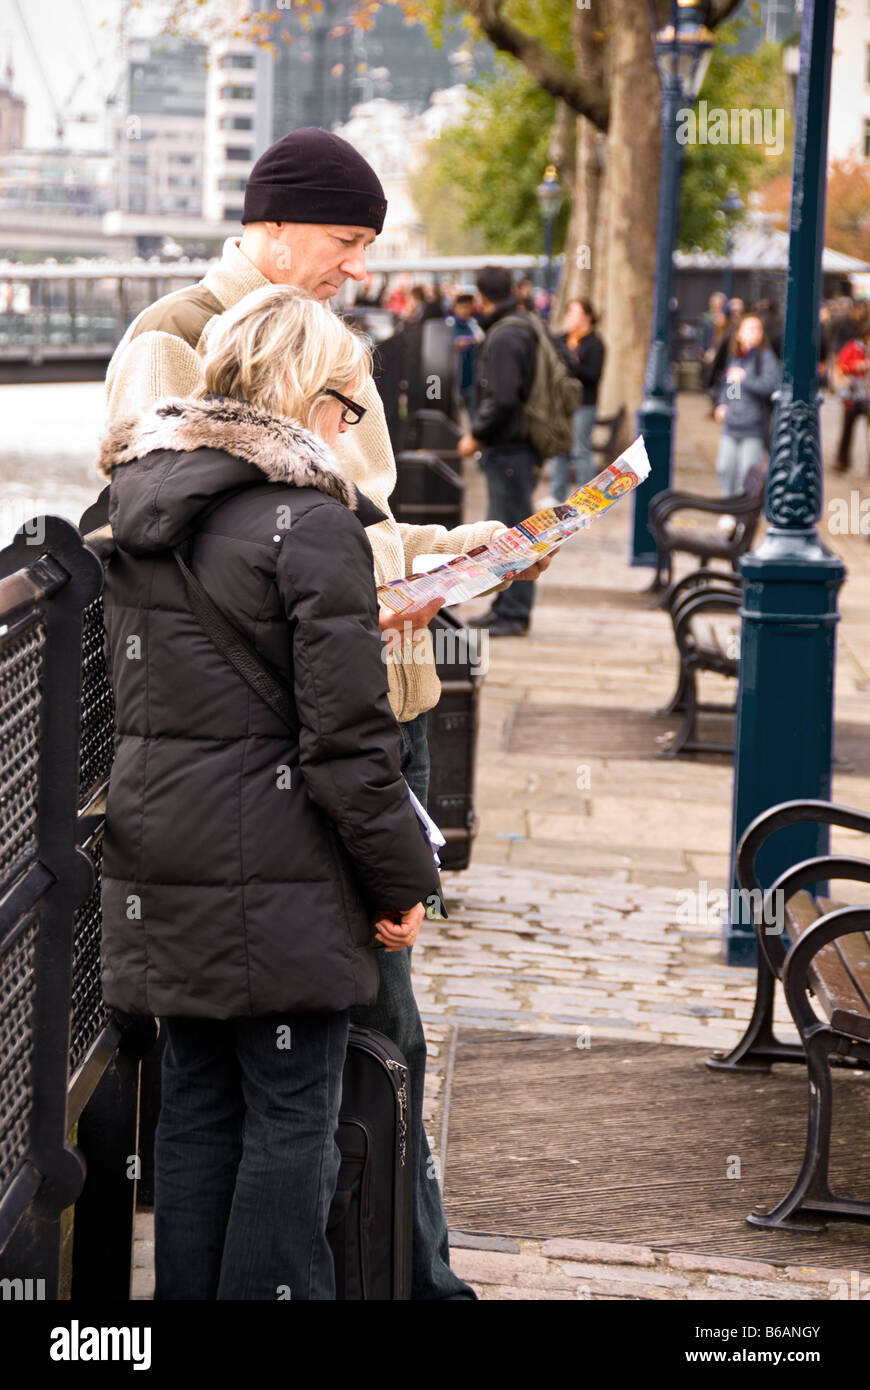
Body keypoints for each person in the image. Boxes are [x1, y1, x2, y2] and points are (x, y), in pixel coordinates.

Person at [102, 125, 552, 1300]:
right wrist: (401, 879)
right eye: (347, 241)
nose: (358, 265)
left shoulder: (300, 380)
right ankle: (396, 1280)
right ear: (279, 220)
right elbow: (241, 552)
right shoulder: (180, 342)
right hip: (297, 775)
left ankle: (381, 1273)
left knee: (218, 1094)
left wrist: (453, 553)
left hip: (208, 795)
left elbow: (207, 538)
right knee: (332, 1067)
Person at [97, 286, 444, 1299]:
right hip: (283, 871)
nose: (352, 420)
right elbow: (345, 741)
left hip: (164, 858)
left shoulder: (141, 508)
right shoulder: (311, 525)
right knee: (293, 1119)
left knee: (197, 1111)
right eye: (348, 397)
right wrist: (399, 882)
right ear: (308, 393)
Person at [457, 266, 542, 637]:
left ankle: (513, 612)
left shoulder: (505, 334)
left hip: (509, 447)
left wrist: (476, 434)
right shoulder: (519, 324)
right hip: (518, 446)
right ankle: (505, 605)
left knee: (510, 531)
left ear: (481, 296)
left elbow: (504, 397)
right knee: (511, 527)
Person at [713, 312, 780, 498]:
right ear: (739, 334)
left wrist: (746, 378)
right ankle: (730, 506)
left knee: (747, 473)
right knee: (725, 468)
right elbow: (731, 388)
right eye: (750, 328)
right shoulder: (736, 357)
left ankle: (742, 516)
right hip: (732, 425)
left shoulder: (765, 358)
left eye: (758, 329)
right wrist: (723, 404)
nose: (754, 333)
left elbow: (769, 387)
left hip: (753, 428)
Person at [550, 299, 605, 502]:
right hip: (561, 403)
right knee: (559, 449)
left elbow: (593, 375)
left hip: (584, 404)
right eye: (569, 312)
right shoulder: (561, 340)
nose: (571, 317)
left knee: (580, 449)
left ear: (587, 317)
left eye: (576, 313)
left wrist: (572, 364)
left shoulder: (595, 343)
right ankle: (557, 495)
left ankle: (587, 499)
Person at [832, 314, 870, 473]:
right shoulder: (853, 347)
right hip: (853, 396)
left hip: (868, 396)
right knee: (847, 429)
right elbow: (841, 366)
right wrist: (856, 366)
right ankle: (842, 460)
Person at [446, 291, 484, 421]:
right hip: (455, 378)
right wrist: (472, 340)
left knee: (473, 414)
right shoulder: (450, 324)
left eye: (468, 306)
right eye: (463, 306)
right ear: (456, 307)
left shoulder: (472, 324)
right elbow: (457, 343)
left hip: (471, 377)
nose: (466, 310)